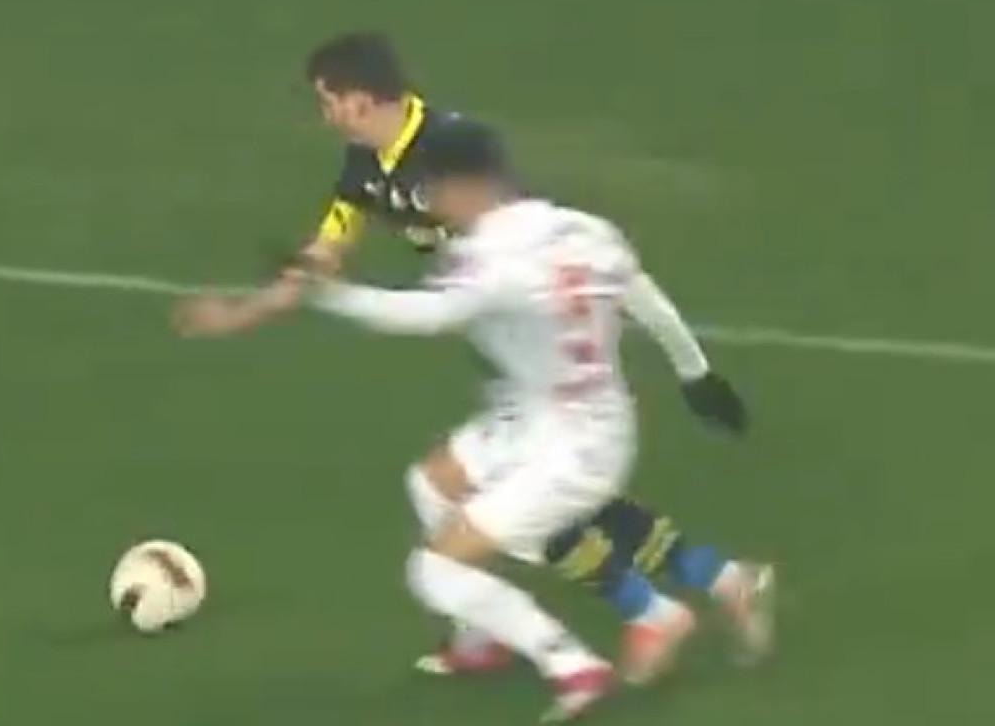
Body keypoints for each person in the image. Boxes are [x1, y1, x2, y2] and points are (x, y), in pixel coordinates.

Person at [175, 33, 773, 677]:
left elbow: (599, 270)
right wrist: (245, 312)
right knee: (527, 496)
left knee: (530, 503)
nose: (323, 116)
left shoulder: (453, 153)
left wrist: (693, 371)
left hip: (541, 351)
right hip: (503, 350)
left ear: (358, 100)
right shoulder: (364, 167)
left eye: (327, 100)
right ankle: (713, 583)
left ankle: (647, 613)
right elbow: (320, 261)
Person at [297, 118, 762, 719]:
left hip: (567, 443)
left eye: (432, 188)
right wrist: (696, 374)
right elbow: (645, 299)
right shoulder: (586, 230)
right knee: (433, 485)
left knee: (435, 569)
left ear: (462, 186)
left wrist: (331, 295)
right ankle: (485, 639)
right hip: (550, 418)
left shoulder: (490, 258)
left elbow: (428, 315)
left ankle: (574, 662)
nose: (429, 202)